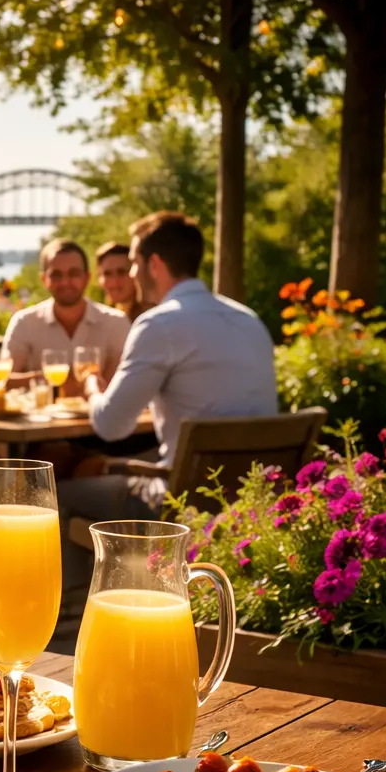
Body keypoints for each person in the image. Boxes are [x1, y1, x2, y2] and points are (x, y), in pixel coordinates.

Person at [61, 211, 278, 592]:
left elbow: (110, 425)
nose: (131, 274)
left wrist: (92, 385)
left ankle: (77, 611)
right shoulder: (250, 321)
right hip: (250, 497)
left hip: (179, 501)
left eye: (133, 263)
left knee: (52, 494)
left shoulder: (158, 324)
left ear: (154, 264)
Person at [2, 239, 130, 392]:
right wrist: (54, 381)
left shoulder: (116, 323)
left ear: (87, 277)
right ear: (44, 279)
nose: (65, 282)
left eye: (73, 273)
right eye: (56, 275)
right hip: (42, 408)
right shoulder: (24, 322)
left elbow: (124, 385)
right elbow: (3, 381)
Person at [95, 241, 144, 321]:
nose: (114, 281)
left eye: (121, 272)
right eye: (107, 274)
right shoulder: (102, 318)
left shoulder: (147, 318)